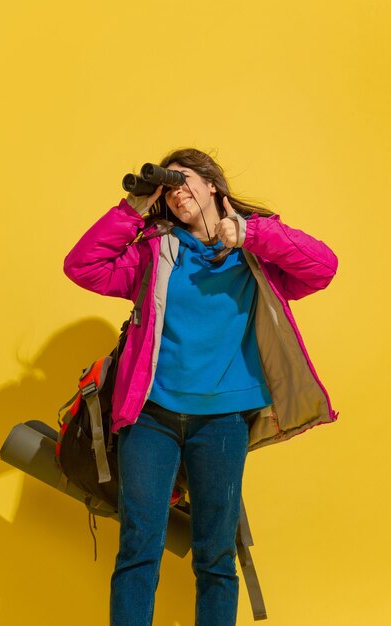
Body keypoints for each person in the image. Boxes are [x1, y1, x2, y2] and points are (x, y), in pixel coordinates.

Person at [63, 148, 338, 626]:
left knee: (214, 554)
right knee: (138, 548)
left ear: (213, 184)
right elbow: (82, 266)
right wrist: (131, 211)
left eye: (185, 180)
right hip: (151, 415)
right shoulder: (155, 251)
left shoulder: (257, 254)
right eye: (168, 188)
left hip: (223, 422)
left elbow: (323, 267)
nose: (176, 193)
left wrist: (252, 233)